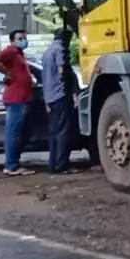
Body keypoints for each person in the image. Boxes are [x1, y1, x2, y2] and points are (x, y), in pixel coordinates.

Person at [0, 29, 35, 176]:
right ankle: (11, 166)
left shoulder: (19, 54)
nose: (23, 40)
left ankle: (14, 163)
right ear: (13, 40)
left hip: (22, 98)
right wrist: (6, 73)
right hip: (15, 99)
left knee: (21, 132)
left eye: (25, 38)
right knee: (13, 133)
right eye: (20, 38)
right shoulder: (11, 51)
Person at [40, 28, 79, 174]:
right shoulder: (60, 50)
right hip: (61, 95)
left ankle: (53, 165)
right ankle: (62, 165)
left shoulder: (47, 52)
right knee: (64, 132)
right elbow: (63, 72)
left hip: (50, 97)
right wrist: (73, 92)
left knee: (54, 132)